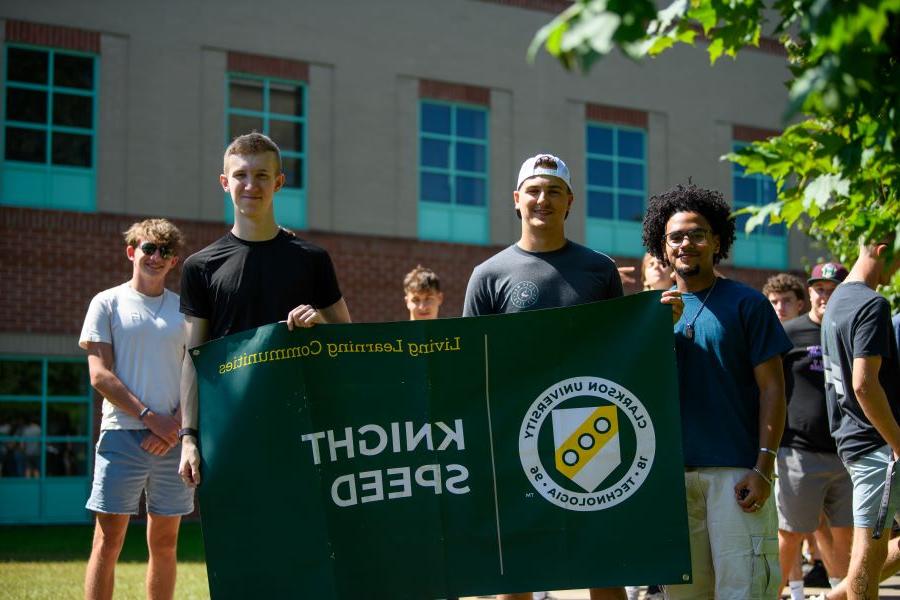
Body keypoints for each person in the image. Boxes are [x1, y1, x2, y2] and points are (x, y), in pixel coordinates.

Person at [463, 153, 682, 600]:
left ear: (570, 203)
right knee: (517, 567)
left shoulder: (598, 269)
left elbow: (621, 348)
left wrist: (657, 320)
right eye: (534, 190)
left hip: (587, 428)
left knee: (600, 559)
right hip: (513, 434)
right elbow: (470, 364)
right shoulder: (488, 275)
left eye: (554, 192)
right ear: (517, 200)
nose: (543, 199)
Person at [640, 182, 791, 599]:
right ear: (662, 247)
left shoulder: (747, 304)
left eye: (696, 233)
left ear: (717, 241)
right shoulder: (646, 316)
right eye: (675, 237)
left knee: (743, 591)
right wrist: (656, 333)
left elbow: (773, 390)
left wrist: (764, 467)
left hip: (736, 474)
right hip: (671, 478)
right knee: (684, 595)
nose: (686, 243)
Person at [178, 132, 351, 487]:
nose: (250, 185)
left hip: (301, 427)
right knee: (241, 539)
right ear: (225, 183)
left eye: (261, 175)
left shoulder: (312, 260)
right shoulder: (200, 266)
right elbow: (194, 358)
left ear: (279, 183)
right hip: (230, 427)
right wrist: (189, 437)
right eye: (240, 175)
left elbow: (347, 341)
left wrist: (318, 322)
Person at [81, 219, 193, 600]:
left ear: (174, 261)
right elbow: (99, 375)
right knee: (107, 541)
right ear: (132, 251)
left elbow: (195, 374)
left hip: (174, 442)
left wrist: (174, 426)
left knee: (165, 543)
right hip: (121, 436)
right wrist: (149, 417)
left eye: (165, 252)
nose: (156, 257)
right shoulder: (106, 302)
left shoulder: (185, 312)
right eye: (148, 248)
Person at [813, 238, 900, 600]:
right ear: (882, 250)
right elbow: (863, 384)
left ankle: (833, 597)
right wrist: (898, 442)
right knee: (870, 547)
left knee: (875, 546)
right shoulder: (872, 303)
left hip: (856, 440)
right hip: (876, 445)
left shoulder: (837, 302)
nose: (896, 272)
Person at [776, 261, 853, 600]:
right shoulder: (790, 332)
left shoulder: (852, 331)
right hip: (798, 451)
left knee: (845, 533)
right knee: (790, 533)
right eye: (819, 289)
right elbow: (766, 386)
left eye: (832, 289)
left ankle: (841, 592)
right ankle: (771, 593)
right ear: (809, 294)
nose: (825, 295)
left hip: (846, 451)